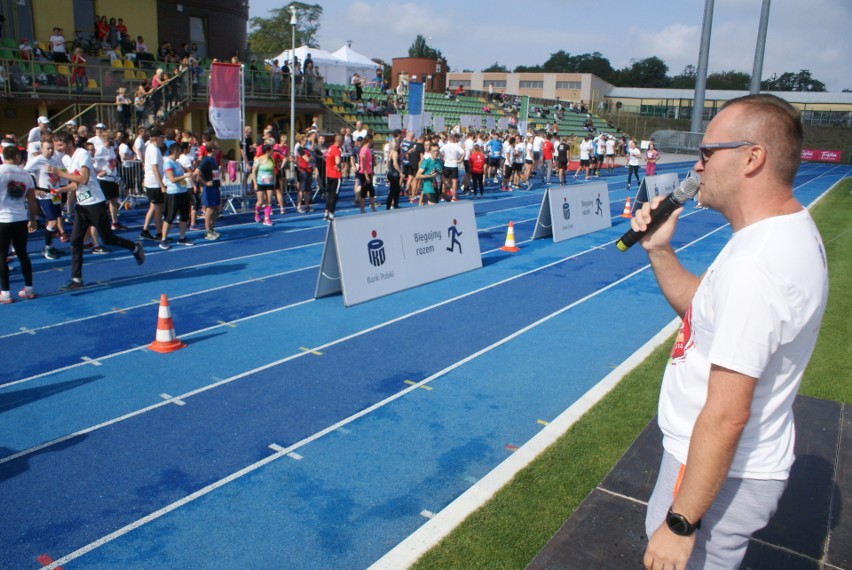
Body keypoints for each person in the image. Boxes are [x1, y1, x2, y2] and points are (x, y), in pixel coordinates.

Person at [639, 94, 828, 570]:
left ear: (752, 157)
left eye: (707, 153)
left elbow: (726, 415)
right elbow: (701, 310)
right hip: (722, 467)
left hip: (712, 476)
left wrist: (681, 523)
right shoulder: (774, 234)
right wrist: (660, 251)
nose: (697, 167)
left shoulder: (756, 267)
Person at [50, 134, 144, 290]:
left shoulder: (82, 154)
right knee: (75, 241)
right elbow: (75, 184)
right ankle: (76, 279)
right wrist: (60, 189)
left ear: (69, 143)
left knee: (107, 239)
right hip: (81, 205)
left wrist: (60, 174)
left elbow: (84, 179)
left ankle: (134, 247)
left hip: (95, 203)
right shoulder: (66, 160)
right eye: (55, 146)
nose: (57, 149)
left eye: (59, 145)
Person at [0, 145, 39, 303]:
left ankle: (5, 293)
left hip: (2, 219)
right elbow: (32, 199)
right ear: (17, 157)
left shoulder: (1, 171)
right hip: (20, 218)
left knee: (2, 256)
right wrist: (33, 219)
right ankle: (29, 288)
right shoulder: (26, 174)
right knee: (23, 254)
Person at [159, 142, 193, 248]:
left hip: (182, 192)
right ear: (175, 151)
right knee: (170, 217)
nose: (180, 154)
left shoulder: (177, 163)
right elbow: (172, 179)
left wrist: (189, 174)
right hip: (173, 193)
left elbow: (183, 173)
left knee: (184, 216)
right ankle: (163, 239)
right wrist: (185, 176)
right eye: (179, 152)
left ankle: (182, 237)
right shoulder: (168, 163)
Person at [140, 128, 166, 240]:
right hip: (154, 183)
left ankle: (145, 230)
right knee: (158, 209)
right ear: (156, 138)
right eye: (161, 137)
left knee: (153, 207)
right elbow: (155, 168)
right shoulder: (154, 150)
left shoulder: (151, 148)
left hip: (151, 182)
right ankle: (159, 233)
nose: (163, 140)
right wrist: (162, 185)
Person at [195, 141, 222, 240]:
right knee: (209, 209)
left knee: (216, 209)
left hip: (215, 187)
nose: (220, 150)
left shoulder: (214, 159)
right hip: (209, 188)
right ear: (213, 149)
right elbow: (196, 173)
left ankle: (211, 228)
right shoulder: (205, 160)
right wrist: (205, 183)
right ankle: (207, 231)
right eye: (218, 148)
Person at [323, 133, 343, 221]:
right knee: (334, 195)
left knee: (329, 194)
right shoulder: (336, 150)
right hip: (335, 175)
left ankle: (326, 212)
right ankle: (331, 214)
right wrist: (338, 165)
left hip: (329, 174)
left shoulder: (330, 148)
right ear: (340, 141)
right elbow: (337, 160)